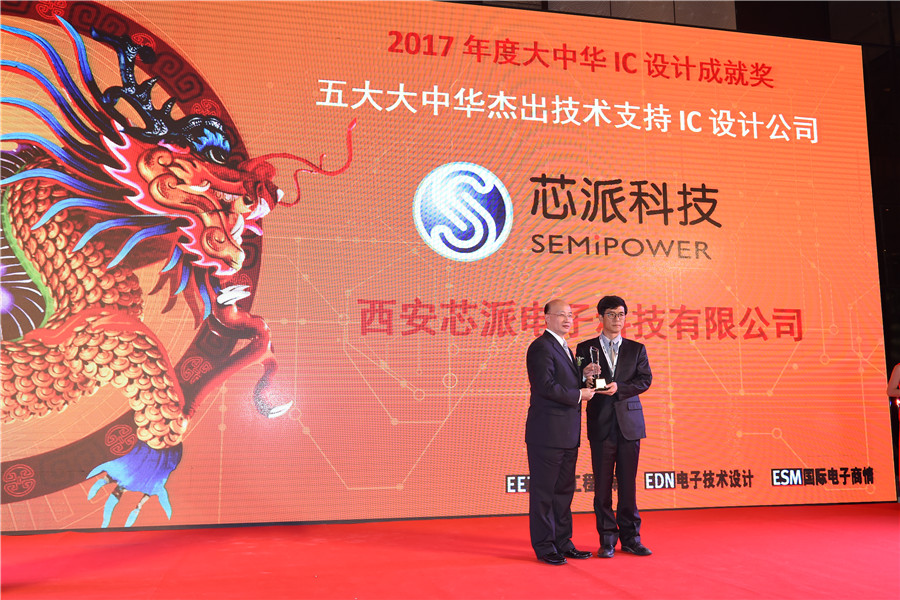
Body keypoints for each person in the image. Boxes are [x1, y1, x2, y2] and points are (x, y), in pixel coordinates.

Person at [575, 295, 653, 558]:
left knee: (628, 485)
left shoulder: (636, 349)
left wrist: (620, 388)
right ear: (600, 317)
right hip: (601, 422)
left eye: (621, 314)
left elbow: (645, 380)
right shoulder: (585, 348)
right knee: (602, 485)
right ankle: (607, 539)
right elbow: (577, 381)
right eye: (611, 314)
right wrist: (586, 379)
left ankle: (631, 538)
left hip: (629, 424)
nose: (617, 319)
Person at [525, 299, 596, 565]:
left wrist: (584, 376)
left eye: (570, 315)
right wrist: (579, 394)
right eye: (561, 315)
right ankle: (545, 546)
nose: (568, 320)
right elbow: (545, 386)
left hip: (567, 433)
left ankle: (563, 542)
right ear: (546, 318)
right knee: (544, 493)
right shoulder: (541, 347)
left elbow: (564, 381)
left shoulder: (565, 347)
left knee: (564, 492)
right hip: (547, 433)